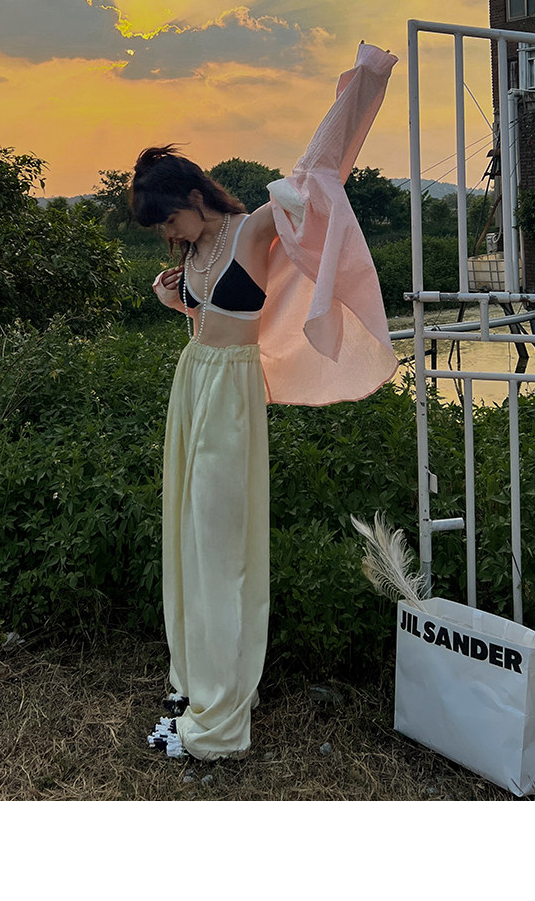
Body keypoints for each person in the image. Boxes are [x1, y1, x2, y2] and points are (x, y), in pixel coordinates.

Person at [131, 42, 398, 761]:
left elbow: (319, 172)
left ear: (194, 199)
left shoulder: (251, 229)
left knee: (222, 544)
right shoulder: (192, 256)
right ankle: (195, 680)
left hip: (231, 393)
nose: (168, 236)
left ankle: (221, 712)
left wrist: (363, 84)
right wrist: (176, 301)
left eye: (169, 221)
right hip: (193, 383)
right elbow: (210, 318)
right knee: (188, 534)